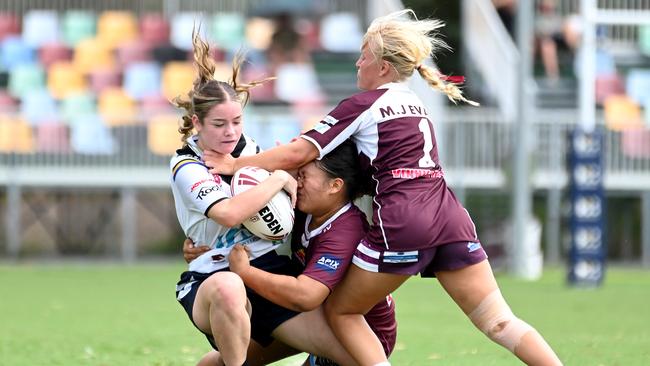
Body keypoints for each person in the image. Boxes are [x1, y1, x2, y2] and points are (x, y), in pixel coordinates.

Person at [204, 9, 562, 366]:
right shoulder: (414, 102)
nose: (358, 62)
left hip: (405, 216)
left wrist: (234, 164)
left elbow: (300, 151)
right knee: (498, 321)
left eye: (365, 55)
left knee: (341, 311)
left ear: (384, 67)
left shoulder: (364, 104)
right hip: (449, 213)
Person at [170, 29, 359, 366]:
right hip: (213, 277)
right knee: (229, 286)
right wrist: (278, 179)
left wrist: (280, 178)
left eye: (237, 121)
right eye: (219, 124)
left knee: (351, 353)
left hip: (271, 269)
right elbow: (228, 214)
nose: (230, 132)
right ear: (197, 123)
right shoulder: (186, 165)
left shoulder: (252, 151)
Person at [228, 140, 397, 364]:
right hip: (318, 320)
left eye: (304, 176)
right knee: (215, 362)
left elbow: (306, 295)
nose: (297, 182)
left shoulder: (346, 230)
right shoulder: (304, 207)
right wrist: (203, 247)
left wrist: (245, 272)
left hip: (364, 336)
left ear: (334, 186)